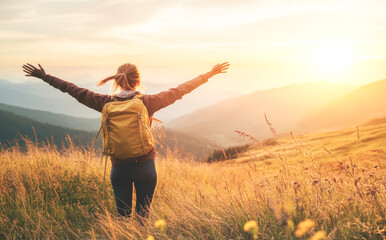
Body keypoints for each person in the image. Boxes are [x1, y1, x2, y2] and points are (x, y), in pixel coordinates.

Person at [22, 62, 230, 219]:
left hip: (119, 168)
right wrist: (209, 74)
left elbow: (74, 90)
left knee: (122, 219)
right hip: (146, 167)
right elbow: (180, 90)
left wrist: (46, 77)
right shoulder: (148, 101)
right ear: (137, 80)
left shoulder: (105, 102)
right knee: (142, 218)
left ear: (117, 81)